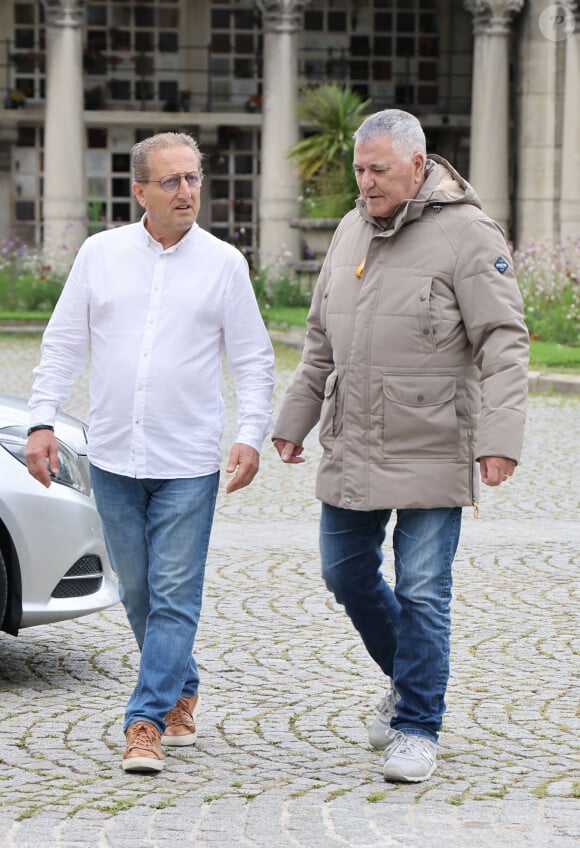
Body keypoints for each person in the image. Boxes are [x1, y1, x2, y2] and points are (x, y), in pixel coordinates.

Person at [272, 109, 528, 783]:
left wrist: (499, 439)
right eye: (359, 168)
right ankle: (408, 676)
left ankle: (417, 724)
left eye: (377, 169)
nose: (365, 182)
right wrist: (291, 421)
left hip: (436, 443)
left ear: (419, 166)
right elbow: (322, 337)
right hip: (355, 440)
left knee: (422, 591)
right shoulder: (353, 227)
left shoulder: (469, 234)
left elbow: (504, 339)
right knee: (343, 572)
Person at [26, 131, 275, 774]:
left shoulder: (224, 264)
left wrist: (250, 433)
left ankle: (145, 719)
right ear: (140, 190)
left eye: (193, 179)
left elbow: (252, 359)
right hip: (112, 455)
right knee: (137, 589)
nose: (187, 191)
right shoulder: (99, 254)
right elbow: (62, 344)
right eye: (171, 181)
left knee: (174, 592)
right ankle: (183, 685)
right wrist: (41, 423)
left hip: (188, 460)